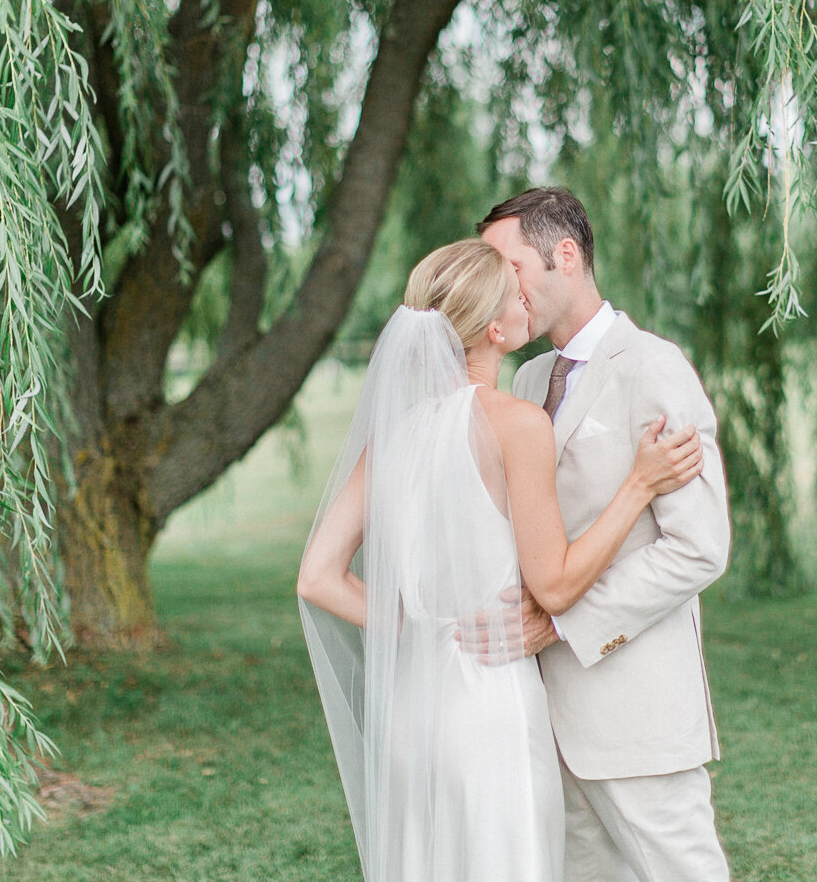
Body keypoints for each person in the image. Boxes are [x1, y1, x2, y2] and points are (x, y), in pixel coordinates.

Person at [296, 238, 704, 882]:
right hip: (490, 708)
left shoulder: (393, 436)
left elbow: (316, 575)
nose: (527, 298)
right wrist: (638, 488)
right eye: (515, 293)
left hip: (415, 710)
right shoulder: (516, 422)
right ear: (494, 328)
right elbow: (557, 583)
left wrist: (418, 628)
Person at [479, 186, 733, 882]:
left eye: (509, 266)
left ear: (564, 255)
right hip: (539, 718)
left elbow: (699, 548)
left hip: (635, 716)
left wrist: (562, 625)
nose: (500, 288)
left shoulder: (653, 368)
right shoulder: (526, 380)